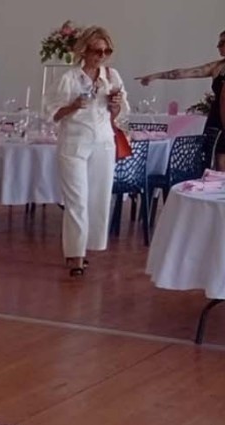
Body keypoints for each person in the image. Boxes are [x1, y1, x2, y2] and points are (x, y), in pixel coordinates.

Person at [46, 26, 129, 278]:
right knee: (77, 200)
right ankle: (75, 255)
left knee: (99, 198)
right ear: (84, 51)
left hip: (103, 143)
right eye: (97, 51)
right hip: (74, 143)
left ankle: (87, 246)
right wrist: (72, 106)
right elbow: (51, 113)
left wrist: (115, 106)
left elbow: (122, 113)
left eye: (107, 51)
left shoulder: (112, 76)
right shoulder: (69, 79)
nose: (102, 56)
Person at [137, 30, 225, 170]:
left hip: (221, 119)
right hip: (217, 120)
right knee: (217, 161)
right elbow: (182, 73)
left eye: (222, 43)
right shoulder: (217, 67)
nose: (218, 46)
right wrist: (155, 76)